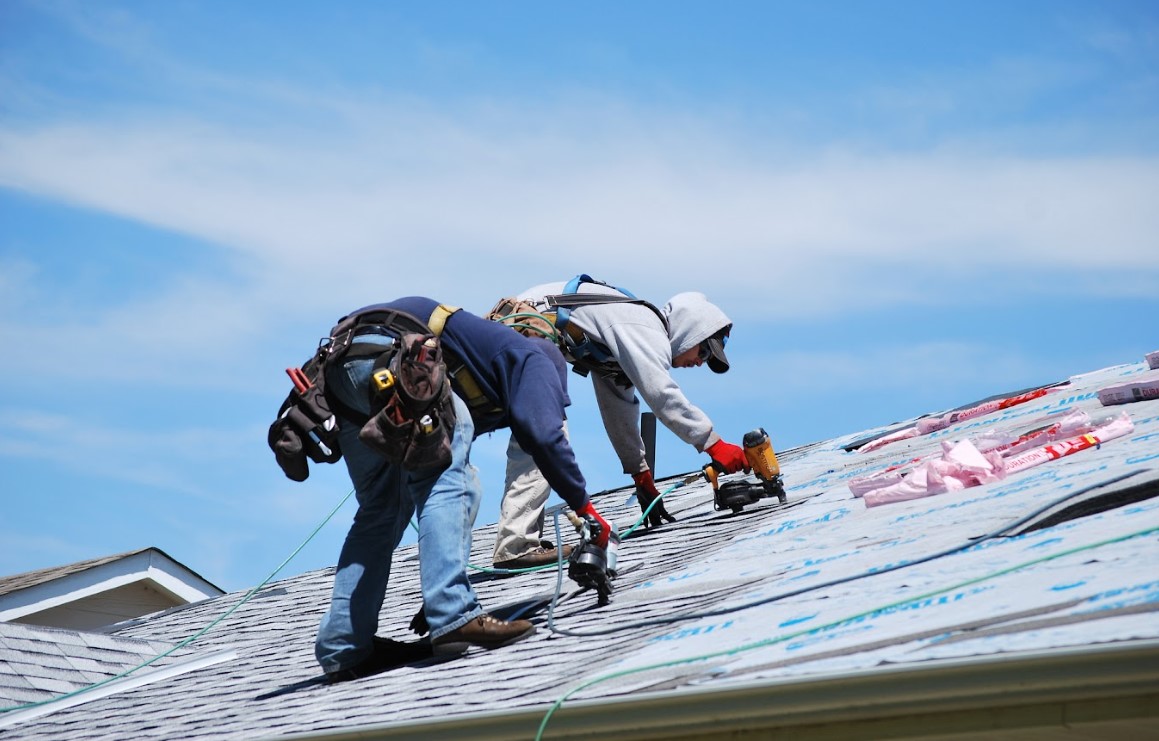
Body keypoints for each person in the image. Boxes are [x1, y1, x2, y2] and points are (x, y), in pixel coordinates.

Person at [311, 297, 614, 682]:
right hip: (389, 357)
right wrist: (586, 508)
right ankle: (453, 612)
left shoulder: (479, 362)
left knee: (382, 510)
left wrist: (443, 571)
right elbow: (543, 434)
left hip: (341, 369)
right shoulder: (537, 356)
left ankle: (344, 647)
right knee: (447, 477)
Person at [490, 277, 747, 570]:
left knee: (541, 436)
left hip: (522, 340)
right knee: (546, 435)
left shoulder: (629, 337)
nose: (700, 362)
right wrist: (712, 444)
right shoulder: (644, 328)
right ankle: (516, 546)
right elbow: (661, 394)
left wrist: (641, 474)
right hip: (521, 337)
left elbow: (619, 407)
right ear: (689, 332)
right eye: (703, 351)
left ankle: (520, 540)